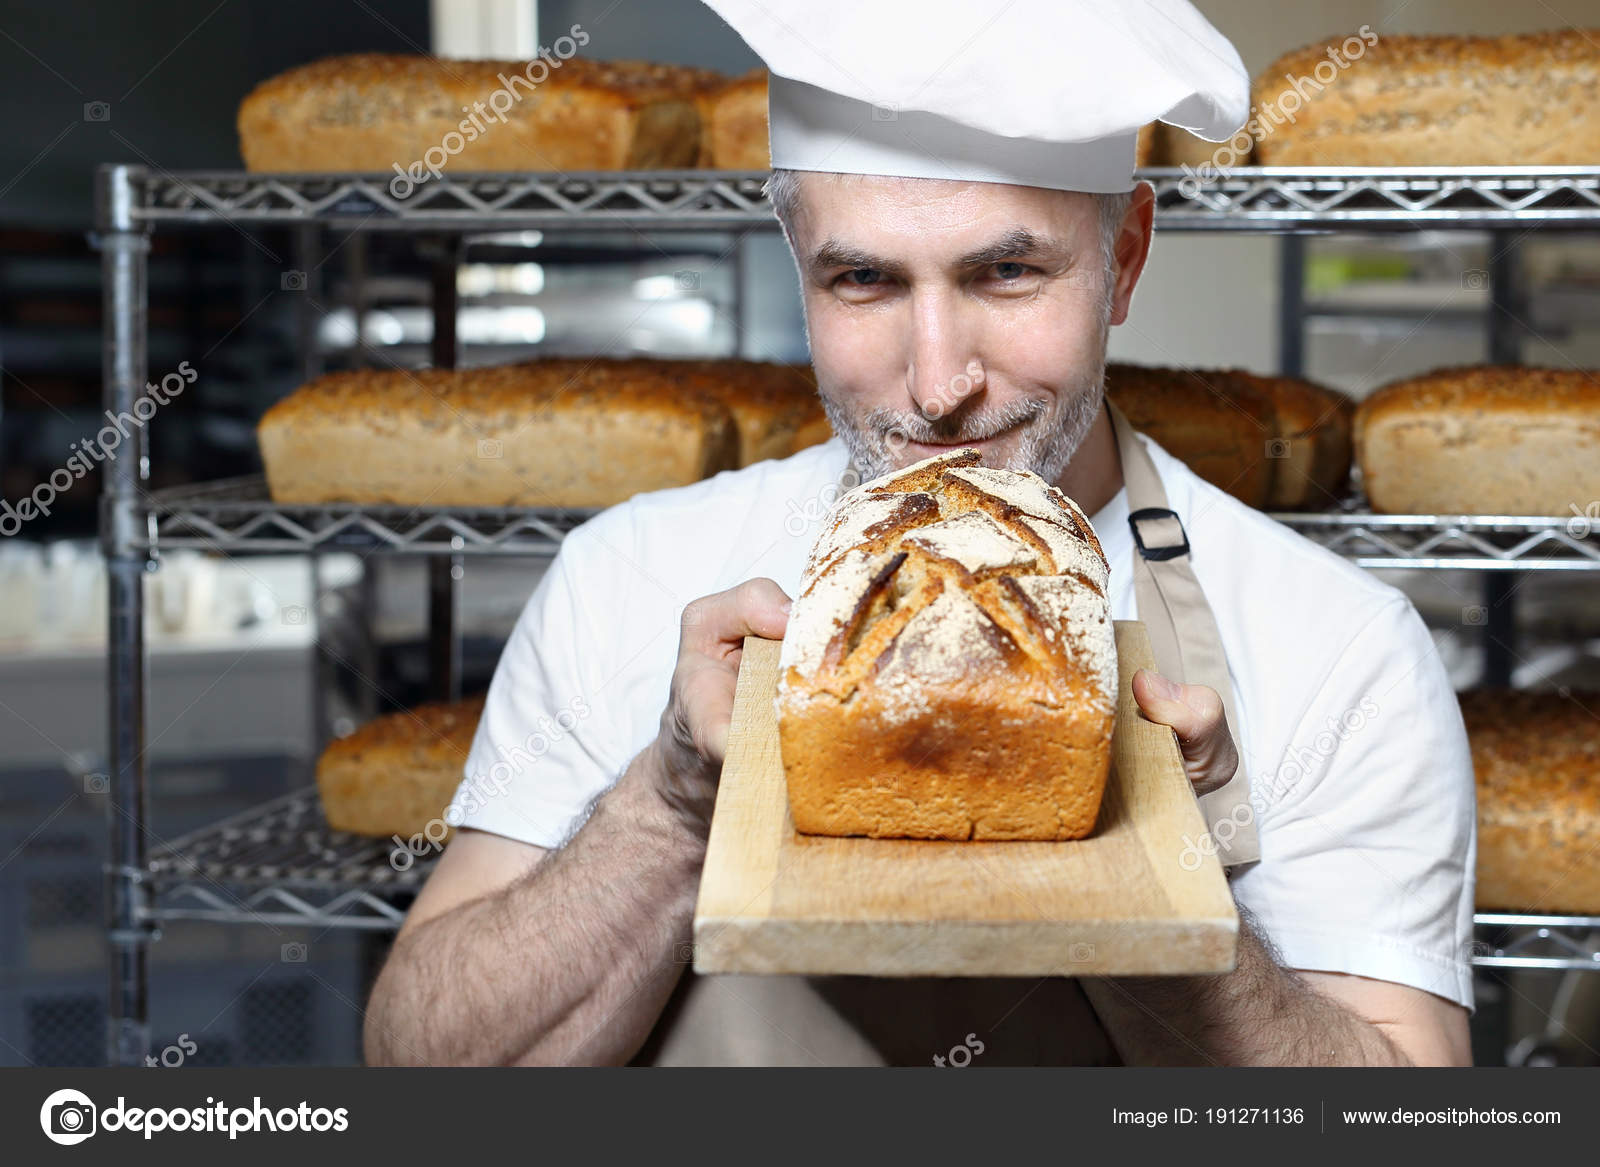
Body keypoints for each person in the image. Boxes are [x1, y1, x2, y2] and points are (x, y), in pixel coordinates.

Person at [364, 0, 1475, 1066]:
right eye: (862, 280)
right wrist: (666, 810)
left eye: (1006, 272)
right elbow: (420, 1069)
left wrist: (1150, 879)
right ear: (797, 264)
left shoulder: (1338, 646)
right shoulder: (626, 575)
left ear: (1124, 258)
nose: (938, 385)